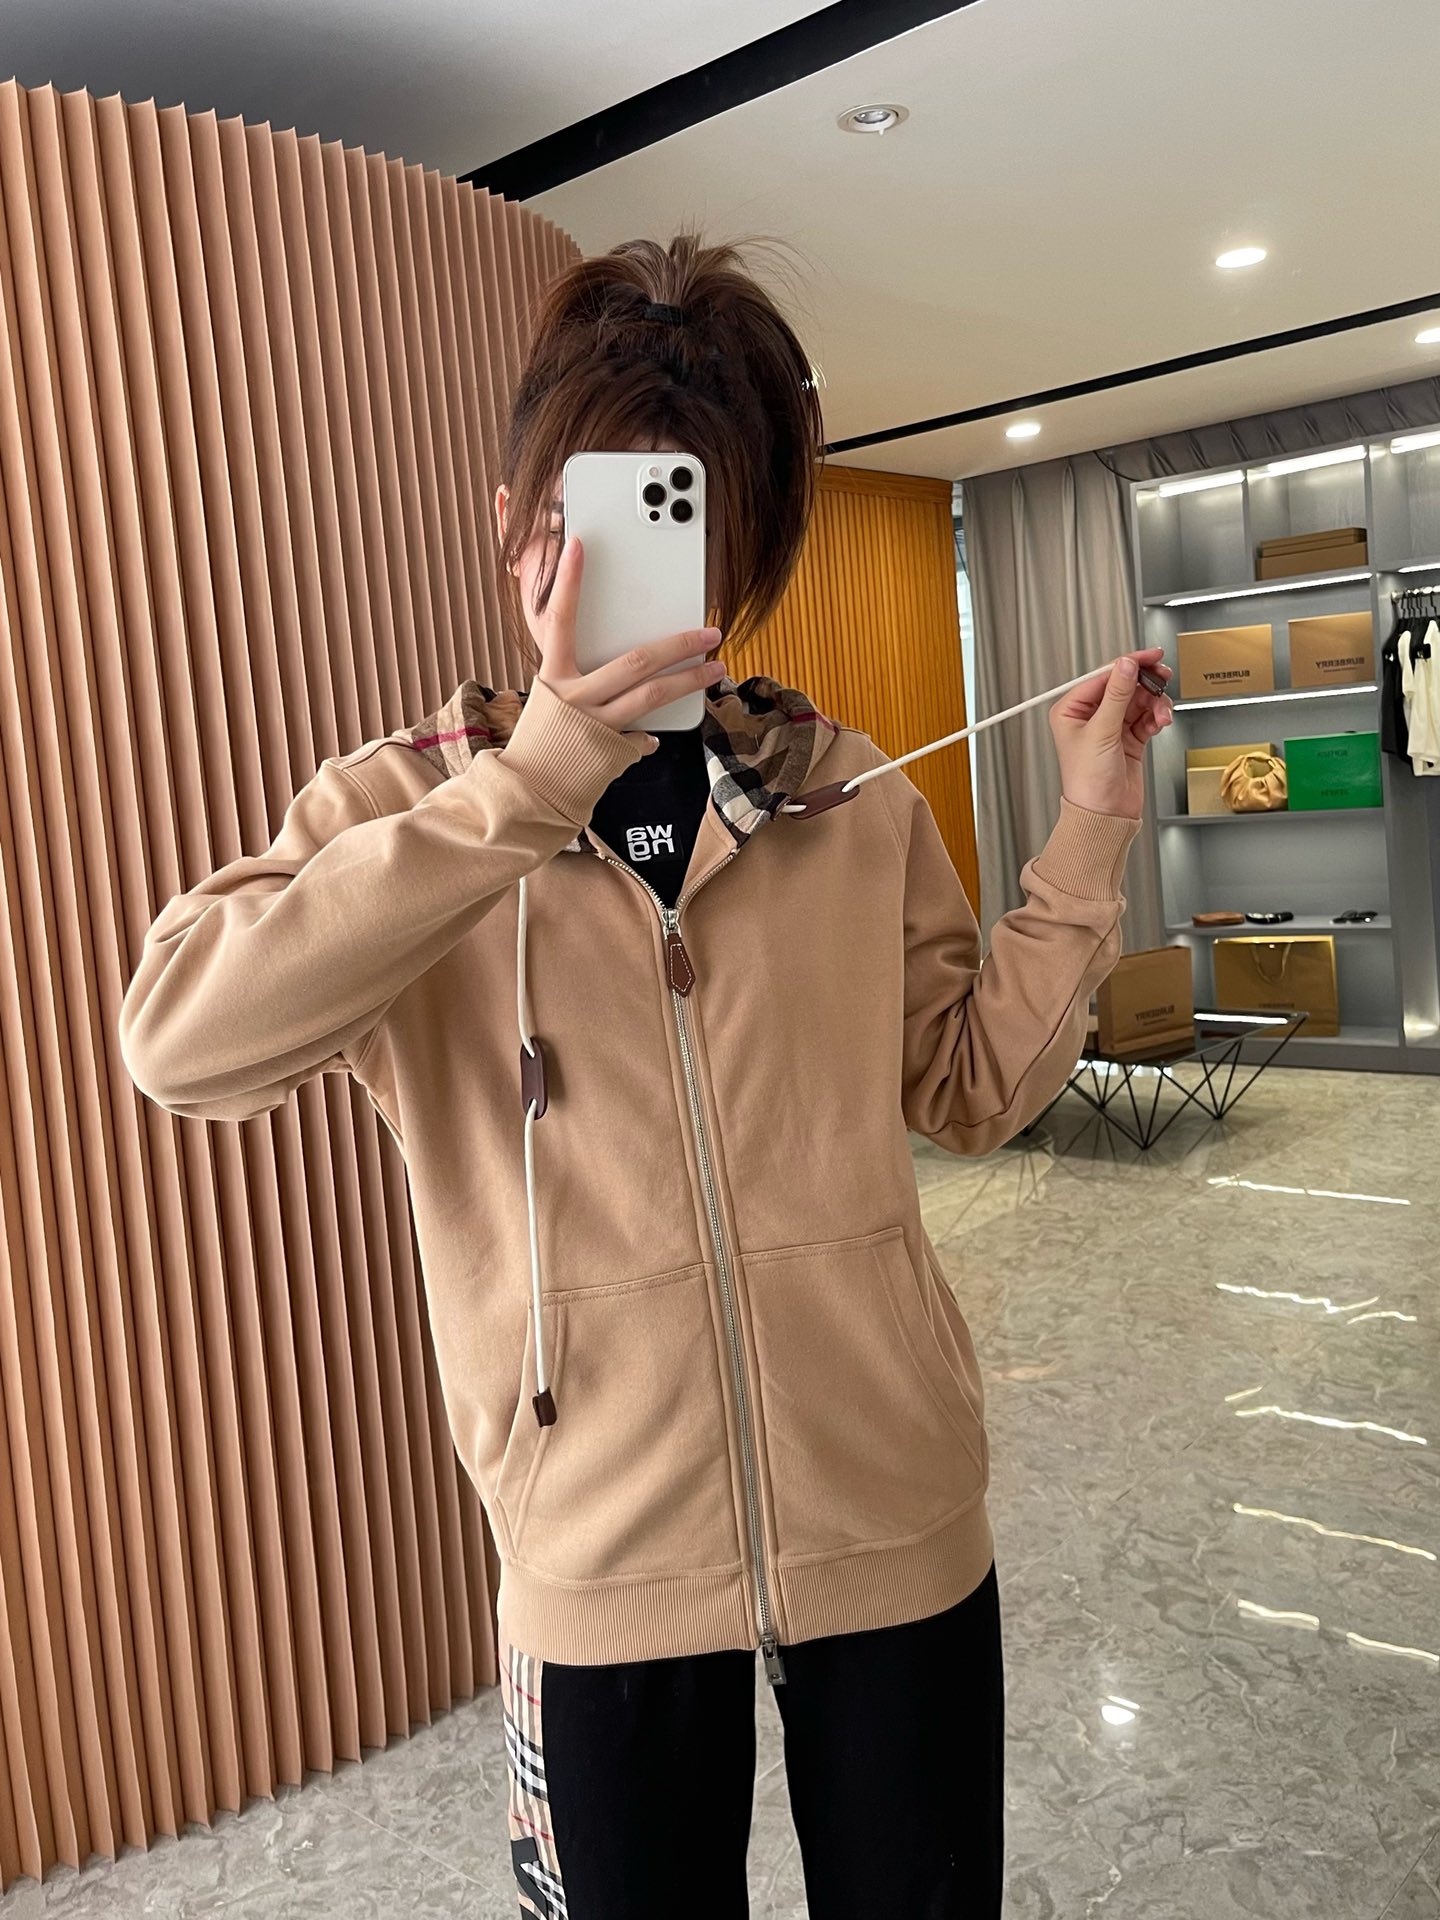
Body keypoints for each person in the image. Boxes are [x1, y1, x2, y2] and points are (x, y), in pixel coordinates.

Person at [119, 232, 1172, 1919]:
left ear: (739, 553)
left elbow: (973, 1088)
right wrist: (528, 788)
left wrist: (1093, 829)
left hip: (895, 1517)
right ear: (510, 522)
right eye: (577, 515)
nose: (612, 565)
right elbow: (181, 1044)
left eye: (677, 523)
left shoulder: (844, 797)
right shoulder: (401, 810)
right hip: (595, 1562)